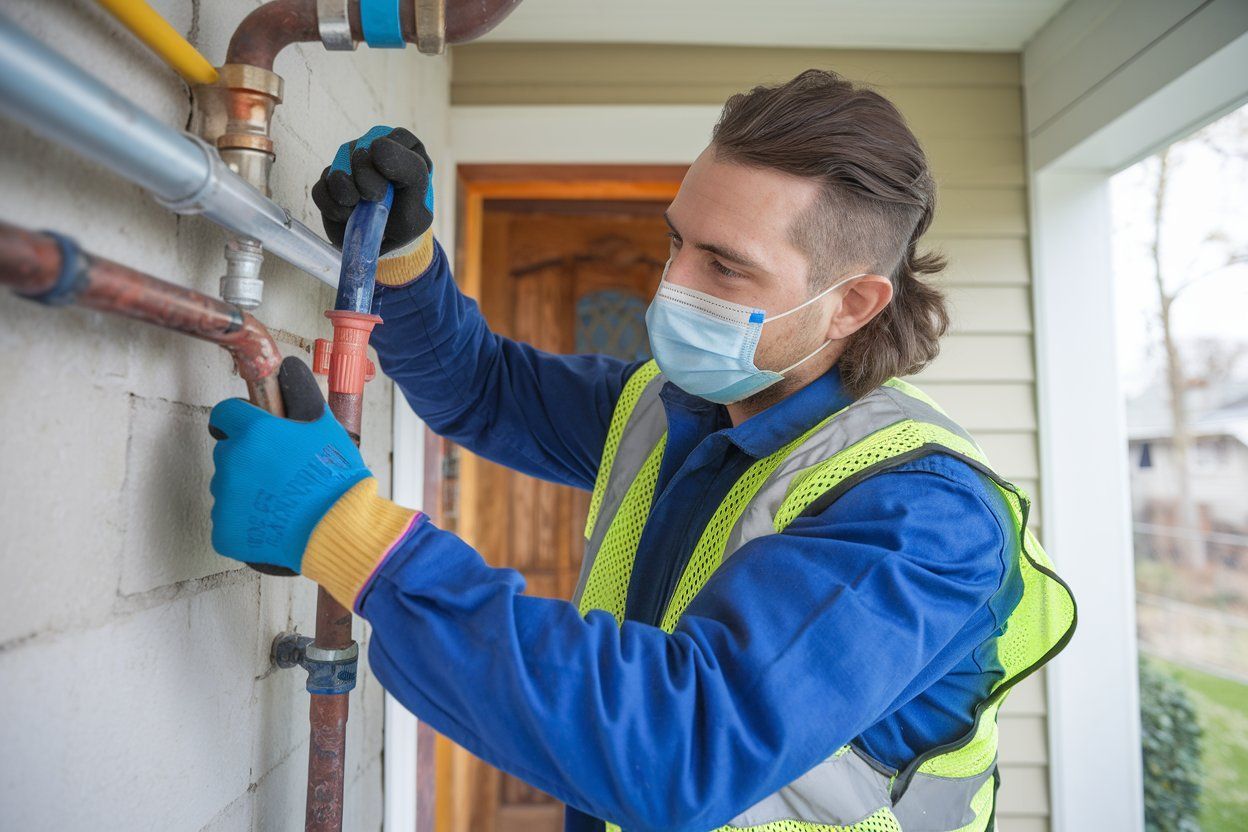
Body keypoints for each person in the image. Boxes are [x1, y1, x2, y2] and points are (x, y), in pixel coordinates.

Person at [206, 70, 1075, 832]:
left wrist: (341, 529)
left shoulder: (924, 515)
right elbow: (484, 389)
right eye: (676, 243)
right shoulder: (679, 405)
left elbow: (684, 743)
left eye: (724, 267)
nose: (673, 286)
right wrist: (401, 257)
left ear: (853, 305)